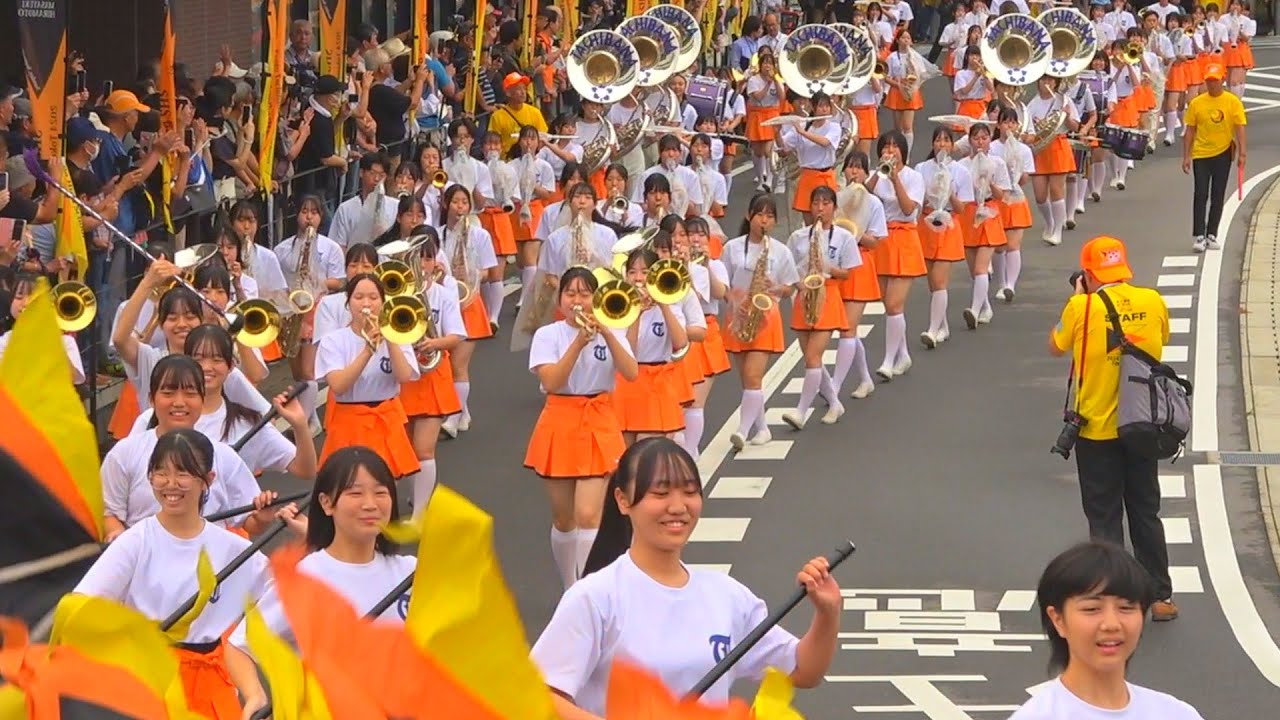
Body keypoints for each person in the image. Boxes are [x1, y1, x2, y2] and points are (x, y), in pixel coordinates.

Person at [531, 438, 841, 719]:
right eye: (661, 493)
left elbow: (801, 670)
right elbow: (539, 694)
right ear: (623, 500)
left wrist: (827, 613)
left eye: (690, 492)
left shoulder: (727, 596)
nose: (678, 507)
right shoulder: (596, 597)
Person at [75, 428, 269, 719]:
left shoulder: (233, 549)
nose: (170, 484)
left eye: (183, 473)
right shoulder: (137, 541)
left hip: (212, 688)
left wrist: (252, 684)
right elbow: (81, 606)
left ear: (208, 481)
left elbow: (284, 600)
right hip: (148, 683)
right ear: (150, 476)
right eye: (160, 472)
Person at [1048, 235, 1178, 622]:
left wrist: (1078, 298)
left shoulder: (1080, 307)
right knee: (1145, 511)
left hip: (1096, 432)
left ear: (1087, 274)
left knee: (1104, 517)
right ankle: (1160, 597)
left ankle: (1114, 599)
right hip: (1143, 425)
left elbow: (1056, 345)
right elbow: (1162, 341)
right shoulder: (1152, 301)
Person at [228, 447, 417, 661]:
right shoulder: (307, 578)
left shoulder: (411, 571)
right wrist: (256, 695)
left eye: (381, 493)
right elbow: (241, 645)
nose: (370, 504)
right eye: (355, 493)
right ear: (326, 503)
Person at [525, 267, 639, 590]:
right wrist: (578, 342)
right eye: (571, 293)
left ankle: (586, 589)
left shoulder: (612, 329)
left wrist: (606, 333)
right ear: (560, 299)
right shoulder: (548, 335)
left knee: (589, 514)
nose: (578, 300)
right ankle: (568, 584)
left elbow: (631, 373)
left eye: (585, 293)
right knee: (564, 519)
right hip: (560, 419)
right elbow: (551, 380)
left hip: (599, 418)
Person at [1009, 541, 1205, 719]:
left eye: (1126, 608)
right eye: (1092, 609)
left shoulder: (1175, 714)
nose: (1111, 624)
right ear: (1058, 619)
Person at [1181, 62, 1246, 254]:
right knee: (1200, 194)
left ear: (1222, 80)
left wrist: (1243, 153)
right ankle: (1199, 235)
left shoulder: (1232, 102)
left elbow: (1240, 128)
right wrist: (1186, 156)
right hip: (1201, 154)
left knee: (1218, 195)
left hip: (1223, 153)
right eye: (1209, 81)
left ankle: (1212, 234)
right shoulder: (1197, 103)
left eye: (1215, 81)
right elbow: (1190, 131)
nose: (1211, 84)